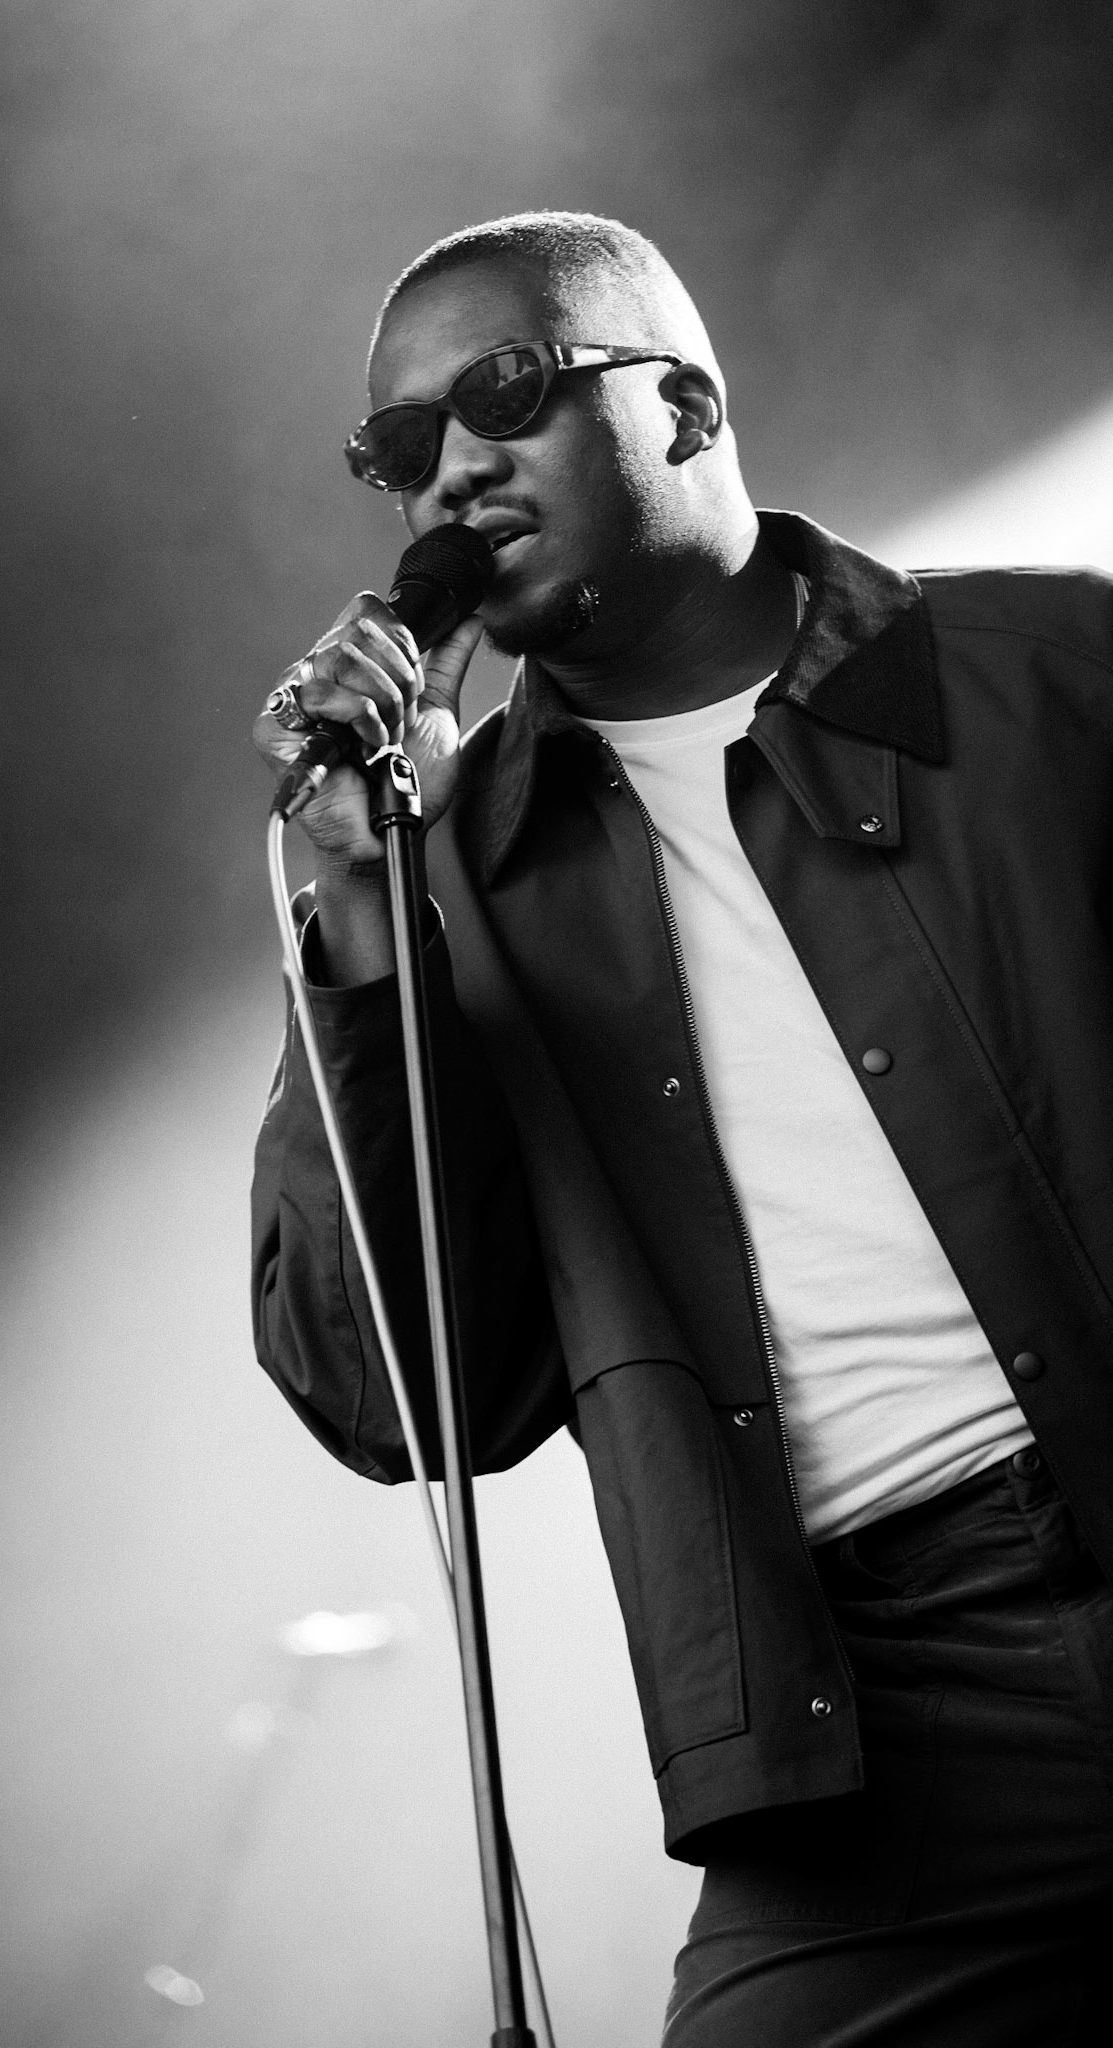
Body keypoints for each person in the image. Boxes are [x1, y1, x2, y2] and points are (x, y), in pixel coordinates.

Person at [249, 210, 1113, 2044]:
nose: (451, 469)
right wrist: (351, 933)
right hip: (890, 1722)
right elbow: (398, 1393)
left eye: (501, 393)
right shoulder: (441, 882)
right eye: (400, 450)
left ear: (690, 407)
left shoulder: (1059, 679)